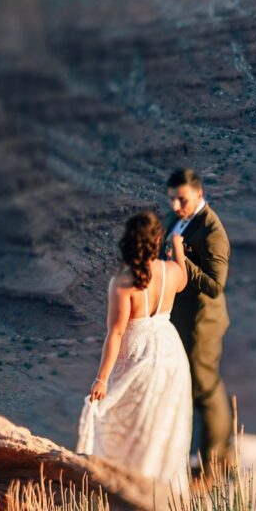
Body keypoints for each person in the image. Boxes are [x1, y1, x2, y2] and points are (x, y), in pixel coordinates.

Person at [77, 210, 193, 493]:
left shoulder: (123, 283)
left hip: (139, 354)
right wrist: (177, 247)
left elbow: (116, 333)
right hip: (170, 353)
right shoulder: (171, 271)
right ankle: (155, 488)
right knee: (160, 423)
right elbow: (184, 279)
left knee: (126, 421)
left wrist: (102, 379)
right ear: (157, 241)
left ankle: (124, 486)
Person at [161, 168, 234, 478]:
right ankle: (212, 456)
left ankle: (214, 465)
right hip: (182, 318)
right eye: (172, 199)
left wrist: (182, 259)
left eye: (182, 200)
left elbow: (215, 286)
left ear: (199, 194)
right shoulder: (179, 219)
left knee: (205, 388)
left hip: (202, 323)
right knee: (193, 385)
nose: (176, 206)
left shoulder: (212, 232)